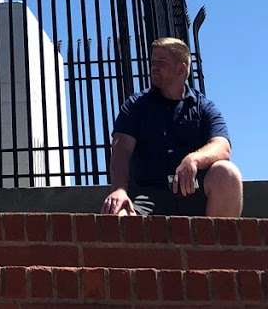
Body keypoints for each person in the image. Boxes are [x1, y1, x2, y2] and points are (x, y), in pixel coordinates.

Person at [100, 36, 243, 218]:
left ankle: (216, 247)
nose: (154, 67)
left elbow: (222, 145)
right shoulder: (135, 106)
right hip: (145, 198)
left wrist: (194, 159)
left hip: (192, 193)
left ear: (181, 69)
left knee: (227, 173)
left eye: (161, 62)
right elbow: (121, 150)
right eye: (153, 62)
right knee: (117, 213)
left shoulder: (203, 107)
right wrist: (119, 189)